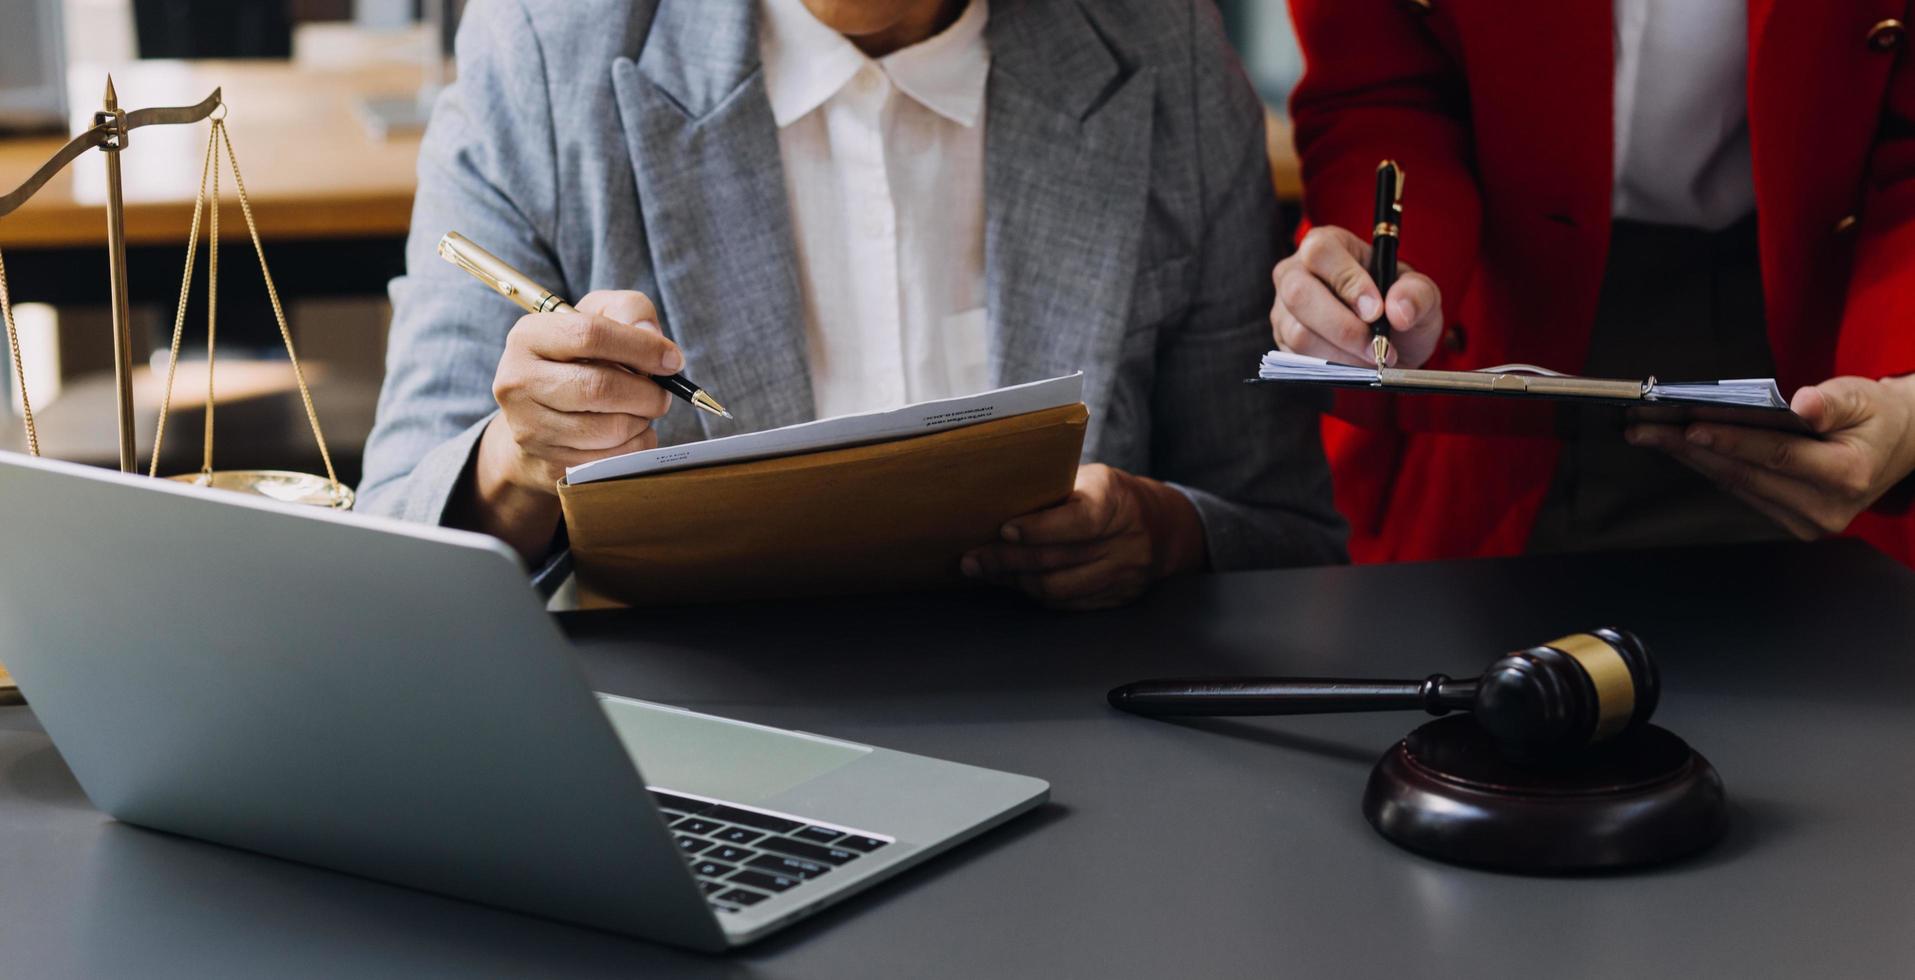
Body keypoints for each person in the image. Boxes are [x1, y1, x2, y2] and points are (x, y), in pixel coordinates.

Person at [359, 0, 1347, 609]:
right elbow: (391, 545)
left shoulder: (1160, 50)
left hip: (1078, 737)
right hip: (687, 742)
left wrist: (1161, 530)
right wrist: (521, 462)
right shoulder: (544, 52)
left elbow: (1283, 530)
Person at [1272, 1, 1915, 563]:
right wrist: (1391, 280)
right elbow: (1381, 87)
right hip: (1494, 335)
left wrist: (1907, 379)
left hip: (1840, 320)